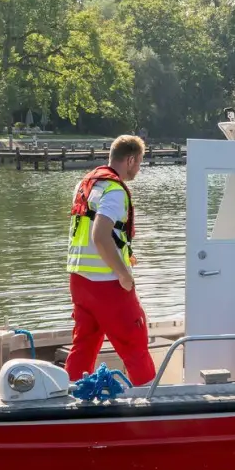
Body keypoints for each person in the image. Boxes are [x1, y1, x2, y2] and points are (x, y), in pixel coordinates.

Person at [64, 135, 155, 385]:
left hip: (79, 280)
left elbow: (89, 232)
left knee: (84, 344)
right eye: (139, 163)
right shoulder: (115, 191)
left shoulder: (86, 184)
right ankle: (151, 401)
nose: (139, 168)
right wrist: (124, 275)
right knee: (134, 343)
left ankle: (70, 396)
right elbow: (101, 236)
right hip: (107, 284)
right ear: (130, 159)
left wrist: (126, 256)